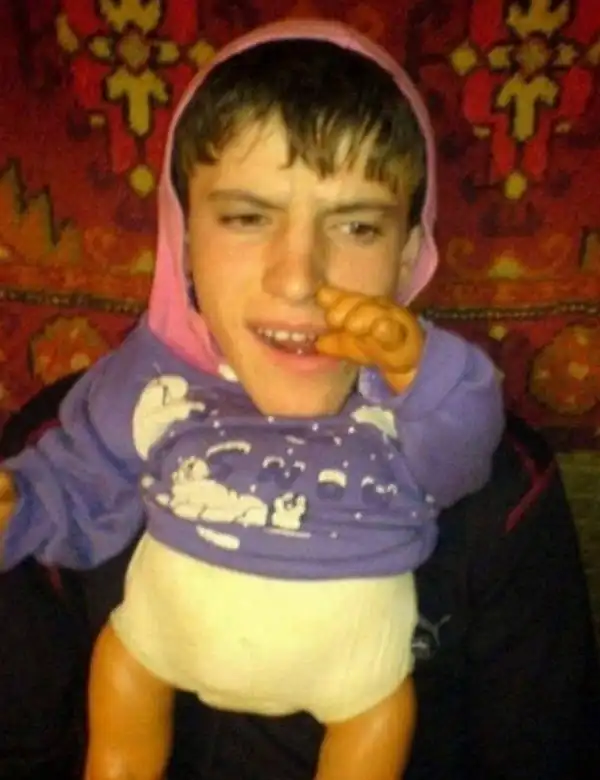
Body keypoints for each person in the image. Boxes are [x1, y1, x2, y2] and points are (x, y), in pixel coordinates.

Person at [0, 17, 590, 780]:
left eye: (357, 225)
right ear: (184, 244)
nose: (299, 278)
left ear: (408, 254)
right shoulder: (66, 446)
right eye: (247, 218)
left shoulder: (505, 489)